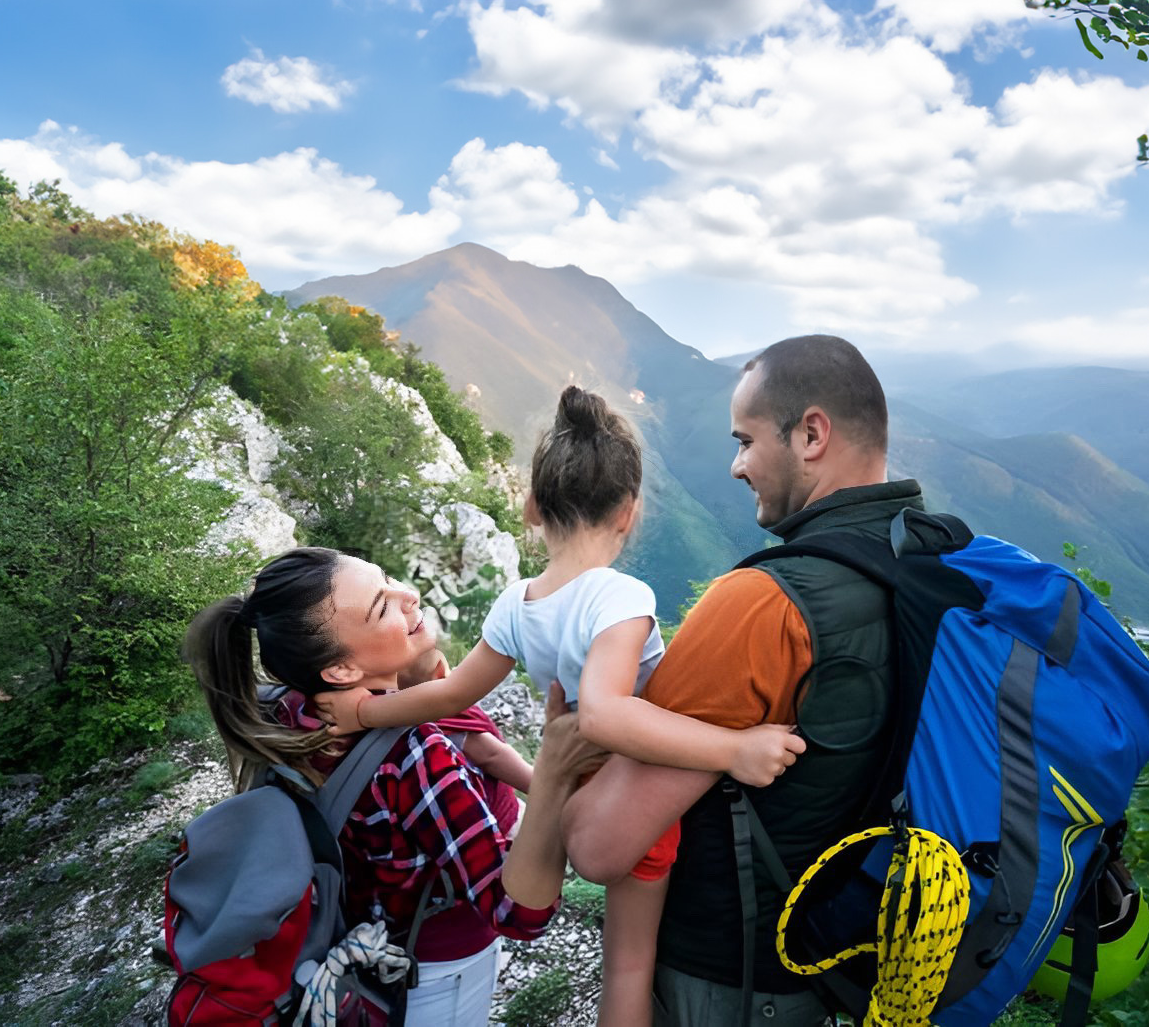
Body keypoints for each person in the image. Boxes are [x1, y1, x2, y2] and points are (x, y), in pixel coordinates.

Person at [315, 385, 807, 1026]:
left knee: (620, 960)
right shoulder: (621, 597)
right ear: (629, 511)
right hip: (634, 799)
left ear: (530, 508)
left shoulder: (516, 602)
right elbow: (604, 715)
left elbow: (453, 694)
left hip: (576, 794)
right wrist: (737, 750)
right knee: (632, 965)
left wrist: (362, 713)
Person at [561, 335, 922, 1025]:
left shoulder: (763, 604)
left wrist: (566, 762)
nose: (735, 466)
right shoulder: (937, 565)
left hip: (722, 979)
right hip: (833, 965)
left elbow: (599, 846)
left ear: (811, 433)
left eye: (746, 440)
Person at [184, 545, 600, 1025]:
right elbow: (520, 914)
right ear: (342, 670)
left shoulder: (287, 708)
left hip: (365, 940)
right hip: (440, 972)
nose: (409, 594)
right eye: (383, 605)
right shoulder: (415, 755)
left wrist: (408, 682)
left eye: (387, 578)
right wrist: (554, 770)